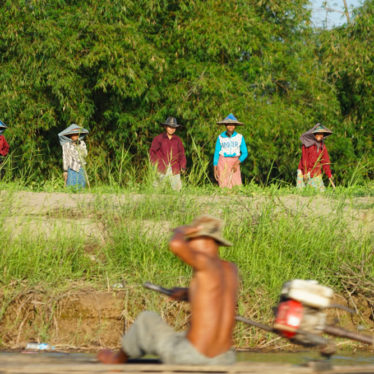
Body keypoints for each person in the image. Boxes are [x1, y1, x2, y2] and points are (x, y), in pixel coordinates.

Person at [97, 215, 238, 366]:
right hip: (225, 358)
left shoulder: (204, 262)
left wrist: (181, 231)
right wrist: (187, 293)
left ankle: (116, 360)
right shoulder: (231, 269)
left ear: (203, 239)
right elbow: (215, 296)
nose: (189, 243)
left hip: (192, 356)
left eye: (191, 239)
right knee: (181, 336)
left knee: (146, 319)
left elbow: (176, 244)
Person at [149, 117, 186, 191]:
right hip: (161, 167)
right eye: (169, 127)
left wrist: (183, 166)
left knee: (177, 189)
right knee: (157, 189)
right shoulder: (159, 138)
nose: (171, 129)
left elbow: (182, 154)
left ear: (176, 128)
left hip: (174, 167)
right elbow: (152, 152)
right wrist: (154, 164)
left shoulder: (178, 140)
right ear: (165, 127)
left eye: (173, 127)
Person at [213, 114, 248, 188]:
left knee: (236, 184)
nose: (230, 126)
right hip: (223, 162)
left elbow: (245, 153)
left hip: (235, 161)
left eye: (232, 124)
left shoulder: (239, 137)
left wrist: (237, 163)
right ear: (225, 125)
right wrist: (215, 167)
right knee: (224, 184)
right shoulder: (221, 137)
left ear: (235, 125)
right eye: (228, 124)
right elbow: (216, 152)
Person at [296, 123, 334, 191]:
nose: (321, 135)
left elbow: (325, 161)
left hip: (315, 172)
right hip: (303, 171)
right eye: (319, 133)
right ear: (314, 134)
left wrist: (329, 174)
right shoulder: (306, 144)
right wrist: (305, 173)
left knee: (321, 191)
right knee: (301, 192)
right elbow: (304, 159)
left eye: (322, 134)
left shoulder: (322, 146)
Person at [58, 124, 89, 189]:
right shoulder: (66, 145)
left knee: (81, 188)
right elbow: (65, 158)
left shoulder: (82, 143)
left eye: (77, 134)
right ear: (70, 135)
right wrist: (65, 170)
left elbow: (85, 154)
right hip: (72, 169)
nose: (75, 136)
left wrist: (79, 146)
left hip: (81, 168)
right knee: (71, 188)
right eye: (73, 134)